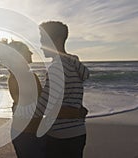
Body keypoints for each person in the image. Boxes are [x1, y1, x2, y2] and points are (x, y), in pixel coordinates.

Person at [0, 38, 88, 158]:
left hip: (27, 132)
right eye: (28, 51)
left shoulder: (18, 76)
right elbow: (42, 107)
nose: (32, 53)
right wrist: (75, 113)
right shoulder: (25, 77)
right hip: (28, 134)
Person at [35, 21, 90, 158]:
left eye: (43, 39)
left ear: (57, 40)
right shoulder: (73, 64)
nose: (41, 45)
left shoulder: (57, 68)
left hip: (60, 137)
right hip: (78, 132)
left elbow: (44, 106)